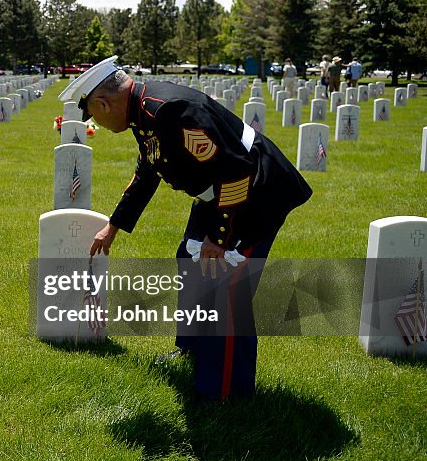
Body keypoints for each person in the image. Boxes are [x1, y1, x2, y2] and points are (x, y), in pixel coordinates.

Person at [60, 57, 312, 402]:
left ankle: (223, 394)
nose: (97, 124)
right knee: (189, 264)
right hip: (219, 193)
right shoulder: (144, 113)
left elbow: (236, 170)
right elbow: (147, 173)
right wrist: (113, 226)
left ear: (104, 103)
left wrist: (219, 239)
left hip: (255, 193)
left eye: (94, 116)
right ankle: (192, 350)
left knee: (223, 285)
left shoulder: (172, 112)